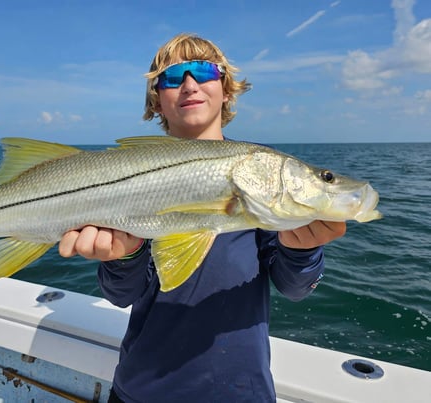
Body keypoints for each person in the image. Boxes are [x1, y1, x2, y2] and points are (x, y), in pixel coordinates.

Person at [59, 33, 346, 403]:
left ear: (226, 90)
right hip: (141, 391)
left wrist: (303, 250)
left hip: (242, 393)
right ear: (157, 102)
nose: (190, 84)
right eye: (173, 77)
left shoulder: (261, 173)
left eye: (203, 71)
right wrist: (123, 257)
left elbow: (295, 288)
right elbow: (122, 294)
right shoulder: (127, 175)